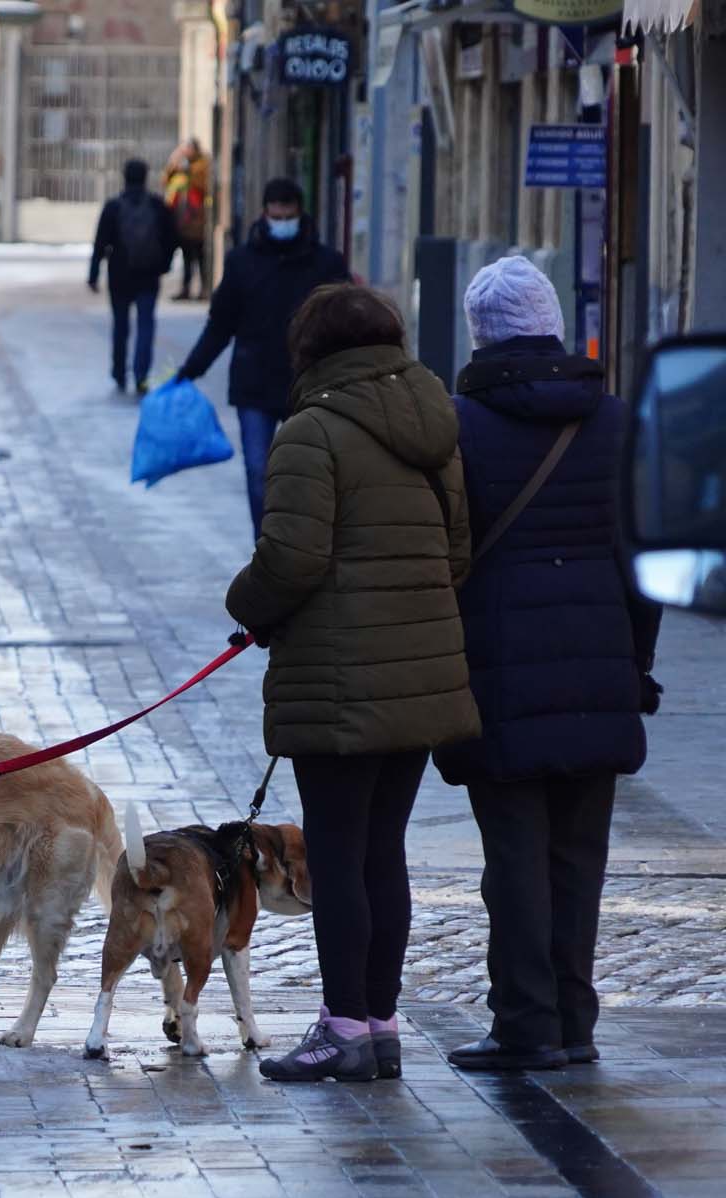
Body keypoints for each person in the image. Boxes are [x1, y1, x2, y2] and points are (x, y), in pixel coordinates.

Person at [224, 283, 481, 1084]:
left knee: (337, 857)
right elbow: (457, 551)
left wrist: (247, 605)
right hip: (419, 678)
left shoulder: (314, 430)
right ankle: (379, 1023)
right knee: (381, 852)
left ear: (311, 350)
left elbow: (292, 558)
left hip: (337, 680)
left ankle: (344, 1029)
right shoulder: (435, 426)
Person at [434, 256, 664, 1072]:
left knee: (514, 861)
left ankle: (525, 1022)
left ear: (480, 336)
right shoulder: (618, 422)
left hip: (497, 676)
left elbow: (447, 557)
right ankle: (574, 1020)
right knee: (579, 858)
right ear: (556, 324)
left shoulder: (457, 426)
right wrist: (635, 662)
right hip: (597, 669)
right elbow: (645, 561)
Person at [177, 178, 349, 536]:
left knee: (309, 469)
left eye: (289, 210)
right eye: (277, 210)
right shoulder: (242, 263)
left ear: (300, 213)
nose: (282, 217)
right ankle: (267, 544)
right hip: (254, 382)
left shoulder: (325, 263)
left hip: (309, 382)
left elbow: (347, 321)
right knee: (258, 469)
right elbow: (220, 324)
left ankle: (304, 540)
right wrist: (191, 369)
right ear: (265, 212)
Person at [89, 159, 179, 395]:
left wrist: (94, 274)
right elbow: (172, 238)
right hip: (148, 277)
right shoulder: (158, 206)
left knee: (121, 326)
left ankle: (120, 372)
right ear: (145, 177)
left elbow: (100, 243)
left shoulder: (113, 207)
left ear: (124, 177)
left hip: (119, 276)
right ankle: (140, 375)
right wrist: (164, 265)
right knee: (145, 325)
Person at [164, 140, 211, 301]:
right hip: (182, 221)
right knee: (186, 258)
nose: (185, 153)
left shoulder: (201, 165)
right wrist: (174, 160)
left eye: (188, 149)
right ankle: (186, 288)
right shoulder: (181, 167)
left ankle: (204, 289)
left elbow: (202, 184)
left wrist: (186, 170)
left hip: (197, 220)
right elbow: (166, 180)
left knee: (200, 257)